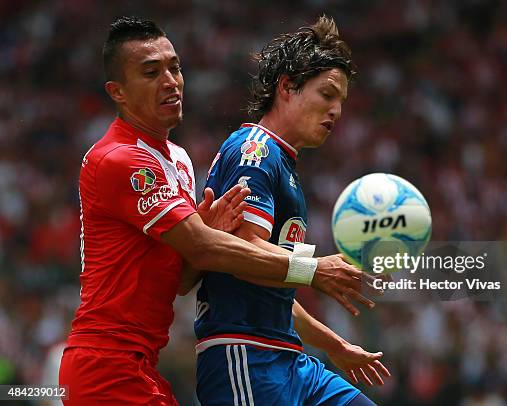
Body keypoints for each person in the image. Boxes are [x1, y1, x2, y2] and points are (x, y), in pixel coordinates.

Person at [59, 16, 376, 405]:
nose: (170, 80)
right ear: (118, 92)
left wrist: (207, 237)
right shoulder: (121, 158)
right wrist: (311, 269)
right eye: (151, 72)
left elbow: (183, 277)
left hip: (145, 363)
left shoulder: (176, 160)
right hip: (108, 364)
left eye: (174, 67)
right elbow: (209, 251)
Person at [193, 16, 390, 406]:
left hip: (289, 357)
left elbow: (271, 281)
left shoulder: (284, 164)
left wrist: (336, 345)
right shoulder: (255, 151)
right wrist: (314, 269)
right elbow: (240, 254)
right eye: (327, 94)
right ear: (287, 86)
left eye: (341, 102)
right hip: (244, 354)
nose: (336, 110)